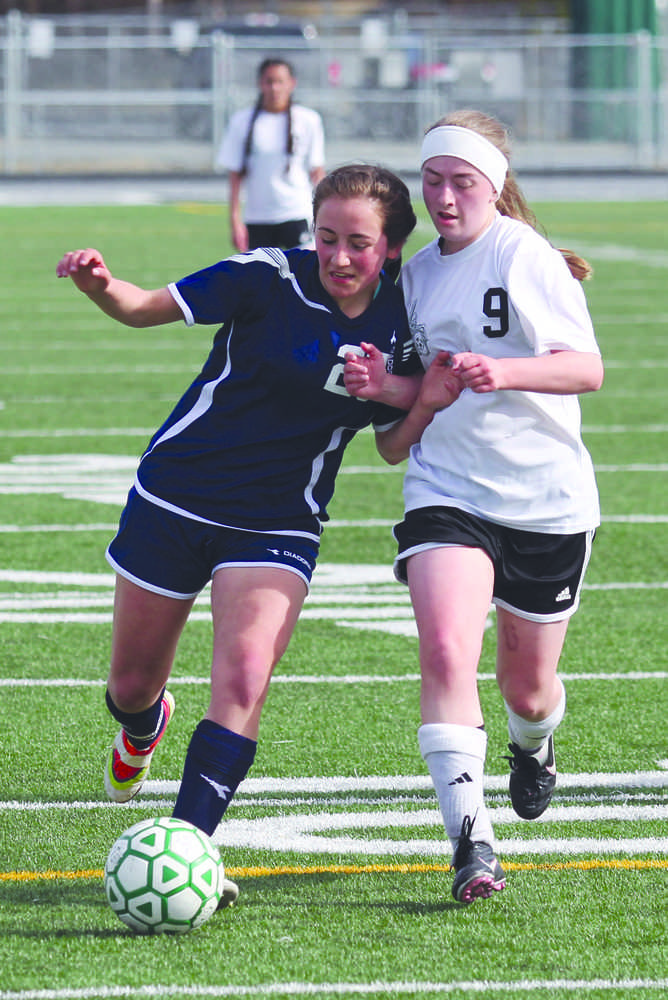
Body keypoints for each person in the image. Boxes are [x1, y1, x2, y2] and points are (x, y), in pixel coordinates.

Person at [56, 164, 422, 908]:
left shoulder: (407, 318)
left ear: (392, 248)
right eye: (327, 237)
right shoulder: (264, 276)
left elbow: (391, 444)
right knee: (129, 686)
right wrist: (100, 284)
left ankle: (189, 847)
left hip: (279, 521)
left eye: (359, 242)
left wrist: (401, 392)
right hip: (175, 498)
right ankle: (142, 727)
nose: (339, 256)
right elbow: (141, 307)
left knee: (244, 675)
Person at [344, 109, 604, 904]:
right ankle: (472, 843)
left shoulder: (523, 255)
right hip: (447, 491)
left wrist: (504, 371)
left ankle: (535, 744)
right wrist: (384, 388)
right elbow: (409, 414)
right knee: (448, 654)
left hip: (544, 498)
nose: (445, 197)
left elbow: (586, 368)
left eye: (462, 182)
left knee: (527, 690)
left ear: (492, 185)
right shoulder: (416, 275)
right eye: (433, 182)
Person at [216, 57, 325, 253]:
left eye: (280, 81)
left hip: (297, 213)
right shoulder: (242, 121)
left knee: (305, 275)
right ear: (260, 84)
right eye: (269, 81)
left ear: (292, 84)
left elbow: (317, 172)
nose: (275, 88)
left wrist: (324, 217)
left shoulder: (308, 120)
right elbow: (235, 176)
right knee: (259, 280)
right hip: (258, 218)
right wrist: (235, 221)